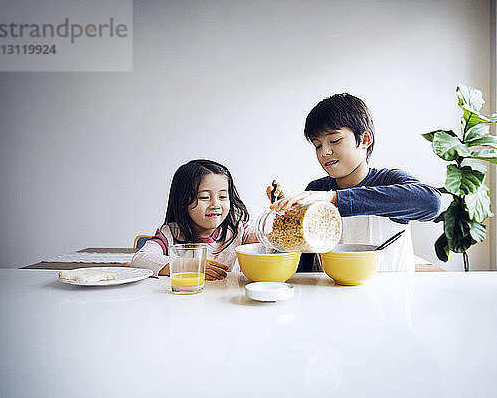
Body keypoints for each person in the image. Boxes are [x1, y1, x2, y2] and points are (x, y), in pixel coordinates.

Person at [266, 93, 441, 272]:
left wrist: (332, 199)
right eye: (317, 145)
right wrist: (288, 215)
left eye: (334, 140)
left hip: (389, 296)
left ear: (365, 139)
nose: (324, 152)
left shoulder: (389, 181)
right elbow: (302, 264)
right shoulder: (316, 189)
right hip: (327, 296)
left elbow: (431, 202)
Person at [132, 159, 258, 279]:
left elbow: (272, 241)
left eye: (223, 196)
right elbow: (140, 259)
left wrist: (277, 213)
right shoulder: (171, 234)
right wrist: (189, 266)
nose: (216, 205)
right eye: (204, 197)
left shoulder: (240, 231)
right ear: (183, 201)